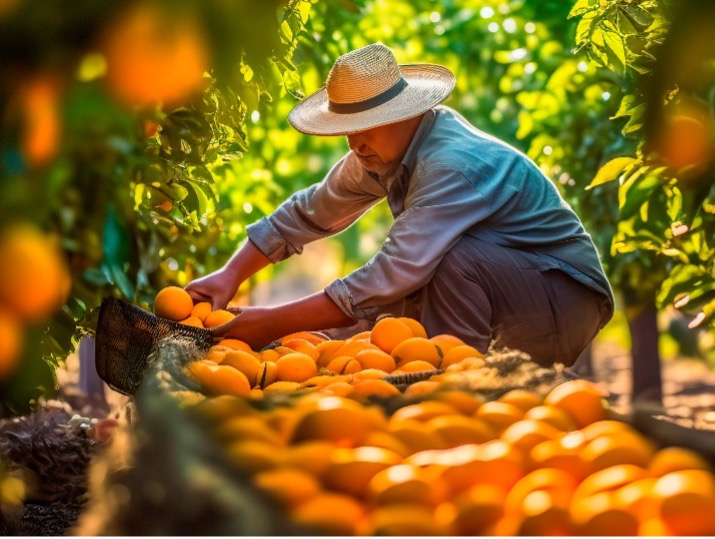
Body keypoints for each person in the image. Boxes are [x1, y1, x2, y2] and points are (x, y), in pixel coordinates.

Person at [186, 43, 614, 366]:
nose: (355, 142)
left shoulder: (451, 165)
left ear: (407, 113)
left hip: (562, 300)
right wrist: (230, 275)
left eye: (365, 127)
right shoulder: (378, 153)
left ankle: (458, 386)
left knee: (440, 262)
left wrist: (272, 322)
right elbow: (307, 212)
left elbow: (395, 271)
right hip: (511, 290)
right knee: (382, 317)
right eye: (346, 130)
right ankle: (443, 379)